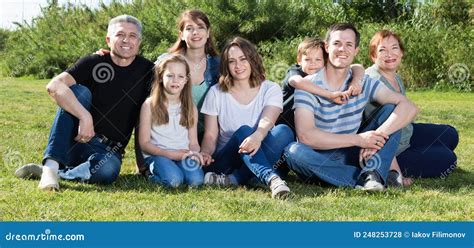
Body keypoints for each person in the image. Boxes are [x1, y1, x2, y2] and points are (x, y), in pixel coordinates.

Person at [14, 15, 154, 190]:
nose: (126, 40)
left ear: (139, 42)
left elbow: (144, 116)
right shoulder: (93, 62)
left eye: (133, 36)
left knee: (107, 171)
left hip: (107, 152)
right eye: (120, 34)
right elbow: (54, 85)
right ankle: (50, 168)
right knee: (79, 92)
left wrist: (142, 164)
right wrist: (84, 116)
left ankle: (55, 173)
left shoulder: (148, 71)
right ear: (108, 40)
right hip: (74, 140)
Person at [284, 23, 418, 191]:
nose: (342, 49)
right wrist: (359, 139)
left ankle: (372, 175)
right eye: (337, 43)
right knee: (293, 152)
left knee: (391, 109)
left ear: (355, 51)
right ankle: (370, 177)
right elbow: (306, 136)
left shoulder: (362, 83)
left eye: (349, 45)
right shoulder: (308, 86)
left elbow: (409, 107)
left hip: (354, 153)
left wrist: (376, 136)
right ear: (327, 47)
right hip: (319, 156)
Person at [199, 37, 294, 199]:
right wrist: (205, 153)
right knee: (244, 130)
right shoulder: (216, 92)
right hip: (227, 160)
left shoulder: (271, 88)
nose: (238, 66)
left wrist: (257, 136)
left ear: (252, 59)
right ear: (226, 66)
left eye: (243, 59)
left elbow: (268, 120)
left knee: (284, 131)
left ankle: (235, 179)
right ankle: (272, 178)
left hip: (259, 148)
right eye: (232, 61)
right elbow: (210, 135)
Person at [364, 29, 458, 184]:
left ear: (401, 53)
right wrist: (396, 173)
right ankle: (392, 165)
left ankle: (425, 151)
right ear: (374, 56)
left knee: (450, 134)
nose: (389, 54)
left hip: (406, 132)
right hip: (391, 148)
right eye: (382, 50)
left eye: (394, 48)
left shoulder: (395, 76)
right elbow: (380, 128)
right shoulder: (374, 79)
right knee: (448, 159)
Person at [139, 54, 204, 188]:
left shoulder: (190, 107)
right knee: (174, 180)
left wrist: (194, 154)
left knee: (196, 181)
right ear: (161, 77)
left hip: (182, 156)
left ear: (186, 80)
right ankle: (149, 173)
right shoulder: (149, 105)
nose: (175, 80)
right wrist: (170, 154)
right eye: (170, 75)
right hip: (158, 155)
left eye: (180, 76)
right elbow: (144, 143)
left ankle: (175, 170)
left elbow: (193, 143)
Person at [277, 37, 365, 132]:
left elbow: (357, 67)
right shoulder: (295, 71)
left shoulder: (324, 76)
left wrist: (356, 80)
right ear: (299, 61)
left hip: (308, 129)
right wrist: (330, 95)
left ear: (326, 61)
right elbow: (297, 82)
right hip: (285, 126)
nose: (312, 64)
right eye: (307, 59)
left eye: (318, 60)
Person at [156, 9, 220, 141]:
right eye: (189, 28)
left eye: (200, 27)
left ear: (208, 33)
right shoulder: (166, 62)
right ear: (181, 35)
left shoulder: (219, 65)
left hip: (210, 138)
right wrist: (108, 57)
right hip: (173, 137)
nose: (195, 32)